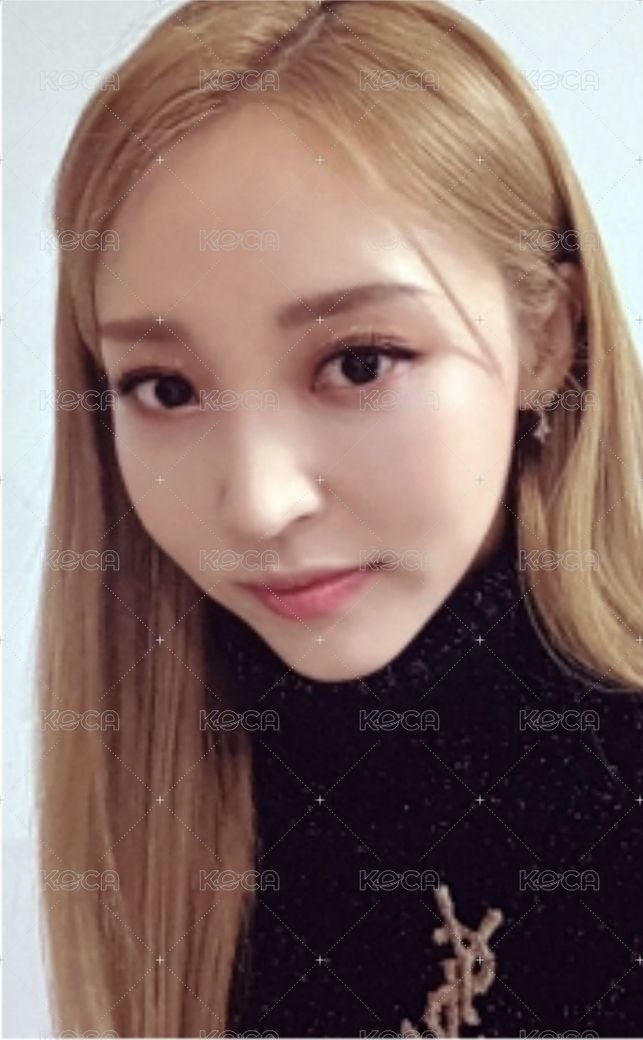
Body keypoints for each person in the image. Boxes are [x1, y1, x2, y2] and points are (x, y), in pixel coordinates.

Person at [38, 1, 643, 1036]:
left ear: (548, 339)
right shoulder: (160, 796)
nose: (258, 502)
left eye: (359, 362)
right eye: (165, 388)